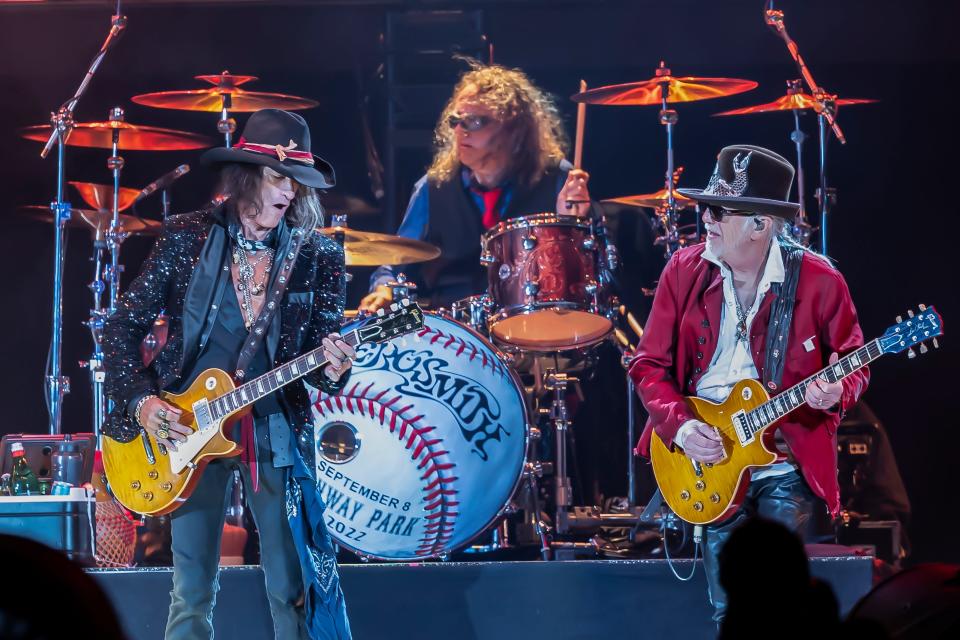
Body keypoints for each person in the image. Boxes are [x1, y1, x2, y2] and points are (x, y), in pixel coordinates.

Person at [102, 109, 355, 640]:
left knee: (294, 585)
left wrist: (334, 368)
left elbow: (320, 366)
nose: (289, 192)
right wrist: (143, 404)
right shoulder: (186, 239)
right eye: (278, 177)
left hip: (273, 428)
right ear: (246, 175)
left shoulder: (319, 255)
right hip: (189, 426)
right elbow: (120, 329)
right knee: (191, 590)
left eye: (298, 183)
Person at [628, 145, 870, 623]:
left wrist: (839, 389)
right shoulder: (683, 269)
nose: (707, 221)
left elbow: (856, 364)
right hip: (707, 458)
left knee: (775, 603)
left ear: (761, 224)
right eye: (705, 208)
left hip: (783, 456)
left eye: (720, 211)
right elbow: (647, 365)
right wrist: (679, 428)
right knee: (729, 610)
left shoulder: (821, 280)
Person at [360, 59, 593, 312]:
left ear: (515, 131)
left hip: (537, 327)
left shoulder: (559, 181)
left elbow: (590, 276)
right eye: (455, 121)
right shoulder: (432, 188)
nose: (460, 131)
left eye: (475, 122)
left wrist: (573, 227)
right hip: (450, 334)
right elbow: (394, 263)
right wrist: (384, 288)